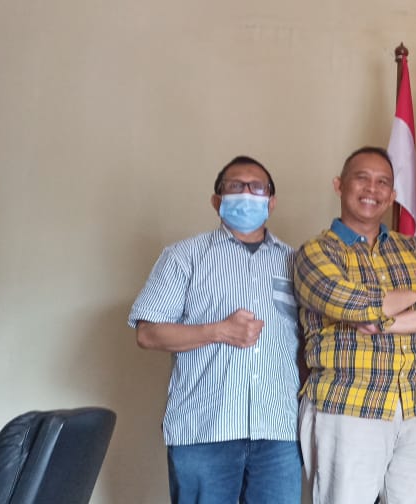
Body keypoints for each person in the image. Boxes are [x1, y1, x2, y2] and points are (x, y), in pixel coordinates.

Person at [129, 156, 302, 504]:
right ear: (216, 200)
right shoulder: (184, 257)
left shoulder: (296, 261)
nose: (247, 193)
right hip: (205, 429)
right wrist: (219, 331)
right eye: (235, 186)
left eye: (257, 187)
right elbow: (147, 333)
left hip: (279, 430)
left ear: (272, 202)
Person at [292, 146, 416, 504]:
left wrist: (384, 324)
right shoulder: (316, 252)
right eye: (362, 178)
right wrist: (413, 298)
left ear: (393, 195)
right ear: (339, 185)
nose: (372, 189)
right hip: (349, 405)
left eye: (383, 182)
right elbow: (347, 302)